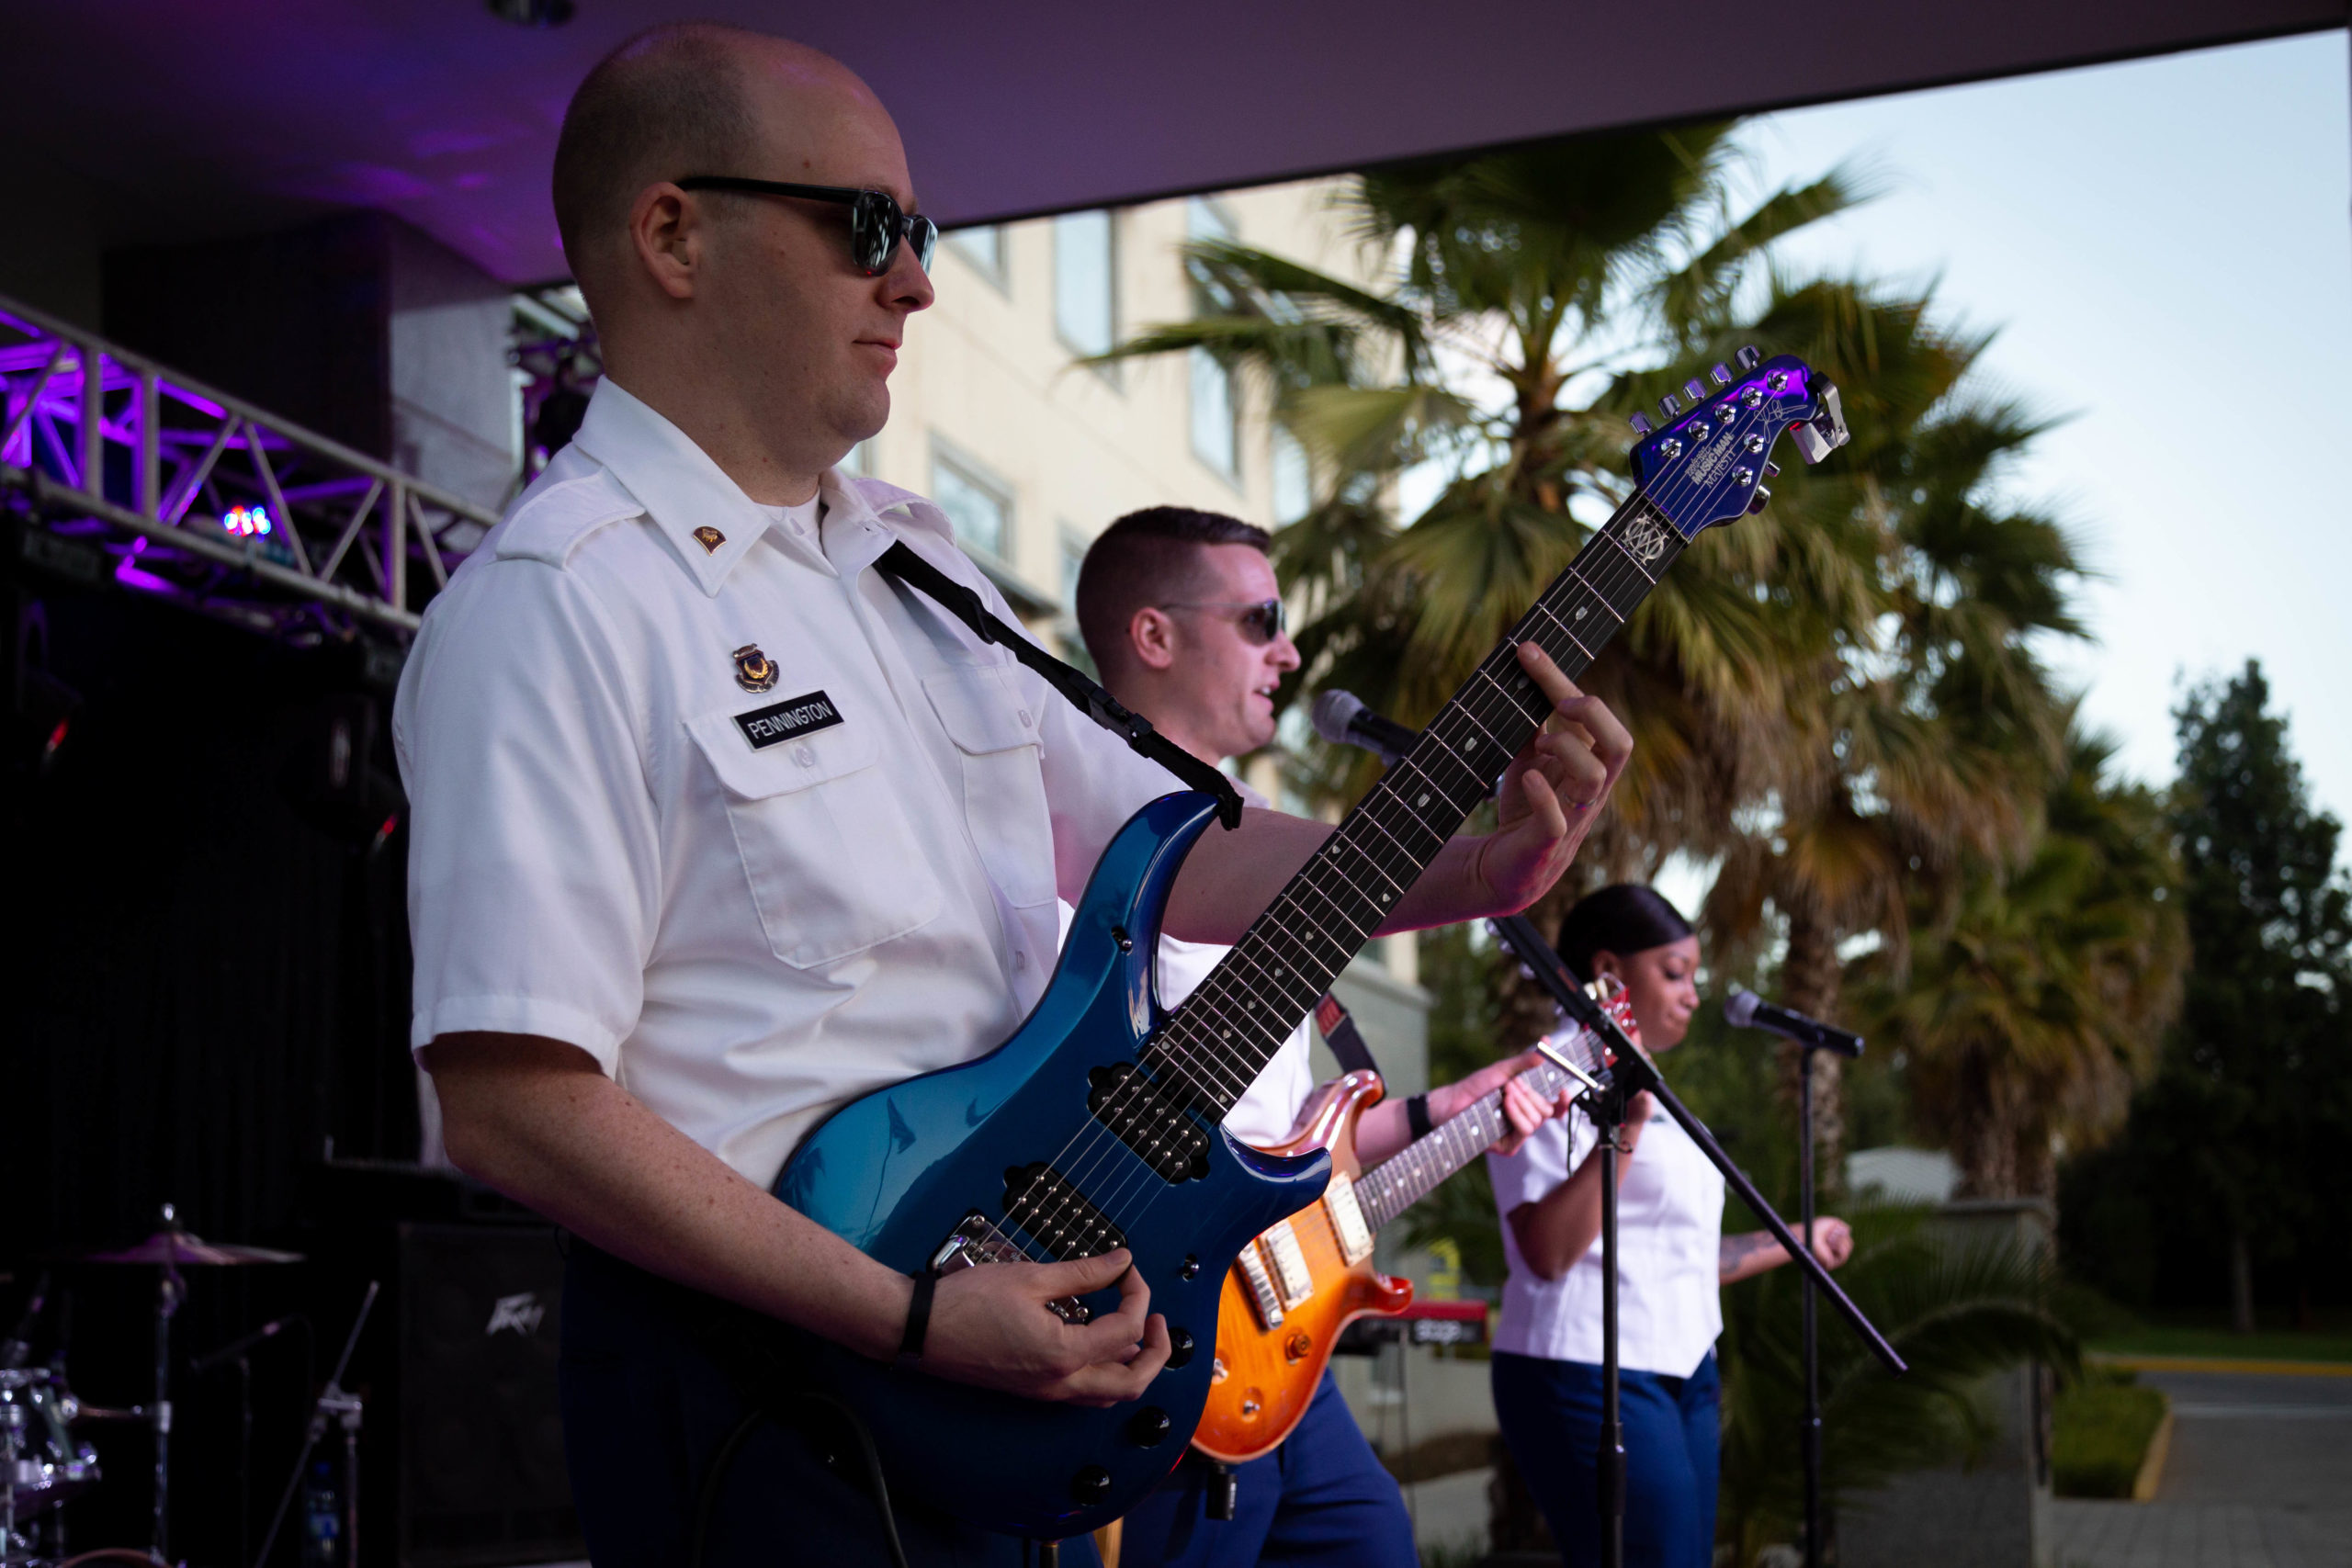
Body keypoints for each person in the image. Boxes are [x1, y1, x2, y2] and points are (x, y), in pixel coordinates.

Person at [396, 22, 1634, 1568]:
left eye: (921, 236)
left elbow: (1174, 844)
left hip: (997, 1362)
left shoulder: (917, 559)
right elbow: (514, 1104)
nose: (913, 279)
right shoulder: (556, 599)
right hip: (775, 1395)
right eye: (867, 229)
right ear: (672, 236)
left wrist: (1478, 868)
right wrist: (913, 1315)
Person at [1073, 507, 1578, 1568]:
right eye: (1260, 619)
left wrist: (1460, 1105)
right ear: (1154, 635)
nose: (1290, 652)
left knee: (1369, 1537)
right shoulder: (1073, 818)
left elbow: (1294, 1138)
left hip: (1282, 1327)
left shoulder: (1259, 828)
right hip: (1173, 1325)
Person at [1485, 886, 1854, 1568]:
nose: (1692, 994)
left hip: (1686, 1370)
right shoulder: (1547, 1079)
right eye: (1674, 972)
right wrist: (1625, 1129)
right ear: (1611, 970)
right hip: (1586, 1368)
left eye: (1694, 977)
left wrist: (1800, 1240)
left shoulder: (1663, 1094)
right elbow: (1548, 1251)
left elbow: (1677, 1261)